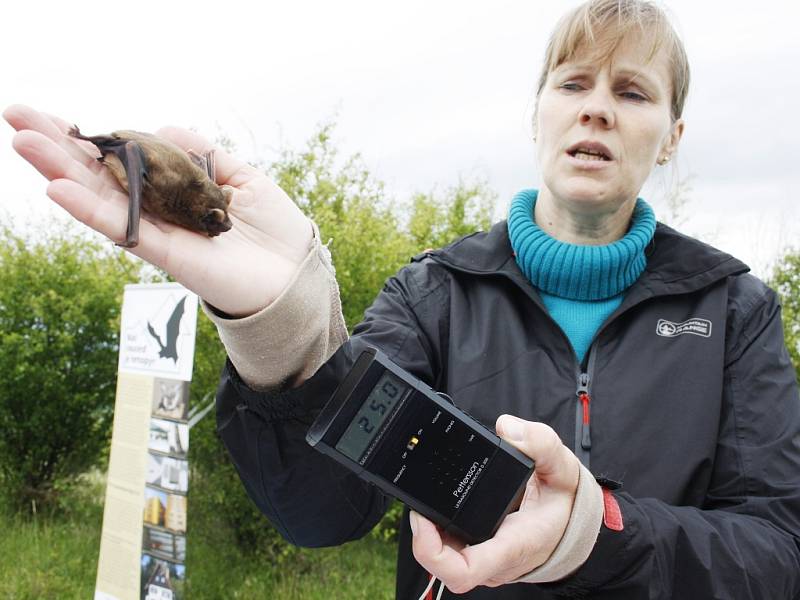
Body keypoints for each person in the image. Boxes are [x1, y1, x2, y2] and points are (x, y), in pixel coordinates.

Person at [5, 0, 800, 597]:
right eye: (573, 82)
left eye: (632, 91)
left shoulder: (735, 310)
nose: (596, 105)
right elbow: (320, 514)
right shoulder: (435, 294)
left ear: (672, 137)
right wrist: (283, 326)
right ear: (538, 114)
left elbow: (776, 552)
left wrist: (601, 534)